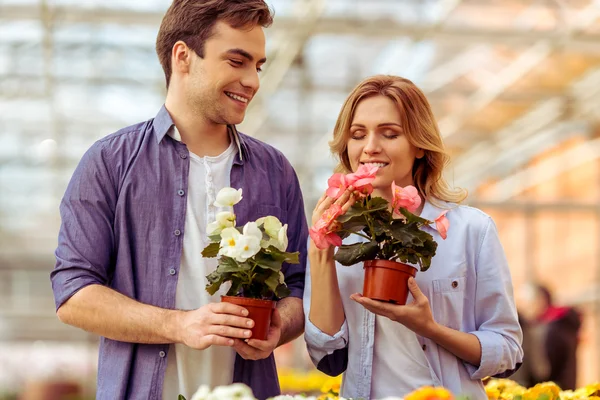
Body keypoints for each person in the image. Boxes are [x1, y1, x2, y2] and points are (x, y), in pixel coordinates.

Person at [50, 1, 308, 399]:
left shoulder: (275, 171)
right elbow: (73, 292)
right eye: (237, 61)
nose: (252, 80)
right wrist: (179, 325)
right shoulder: (110, 162)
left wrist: (280, 324)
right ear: (183, 57)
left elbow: (299, 286)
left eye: (258, 66)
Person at [303, 75, 523, 399]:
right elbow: (326, 355)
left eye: (389, 133)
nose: (370, 147)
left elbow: (507, 350)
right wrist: (320, 248)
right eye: (357, 134)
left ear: (419, 145)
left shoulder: (471, 230)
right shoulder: (340, 236)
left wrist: (429, 328)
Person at [517, 283, 581, 390]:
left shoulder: (552, 328)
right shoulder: (560, 323)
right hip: (564, 387)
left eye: (527, 303)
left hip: (554, 390)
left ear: (540, 301)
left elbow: (543, 370)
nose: (525, 308)